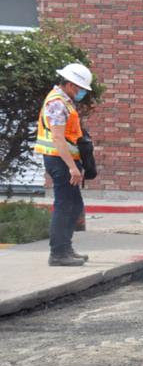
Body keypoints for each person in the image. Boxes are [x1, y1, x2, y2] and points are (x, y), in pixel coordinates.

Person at [34, 63, 93, 266]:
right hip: (59, 161)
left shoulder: (64, 101)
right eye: (80, 88)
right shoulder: (57, 103)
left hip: (63, 160)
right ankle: (58, 253)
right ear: (69, 84)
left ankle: (65, 248)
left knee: (74, 205)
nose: (82, 92)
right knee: (65, 205)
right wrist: (72, 167)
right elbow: (58, 139)